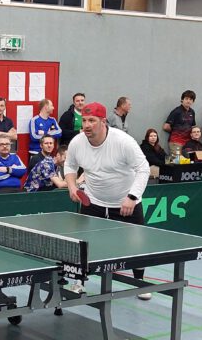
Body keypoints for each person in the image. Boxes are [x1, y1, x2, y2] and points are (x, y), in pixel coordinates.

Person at [65, 101, 152, 300]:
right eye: (84, 120)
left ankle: (140, 283)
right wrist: (72, 186)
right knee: (83, 245)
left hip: (125, 203)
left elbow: (143, 168)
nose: (87, 125)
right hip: (93, 202)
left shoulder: (123, 141)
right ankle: (79, 282)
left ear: (103, 121)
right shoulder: (77, 142)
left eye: (92, 121)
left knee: (136, 245)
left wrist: (132, 197)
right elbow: (70, 165)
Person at [28, 99, 62, 167]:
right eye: (51, 105)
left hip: (49, 154)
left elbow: (59, 133)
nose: (53, 108)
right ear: (46, 107)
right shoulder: (34, 120)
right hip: (36, 153)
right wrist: (51, 133)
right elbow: (34, 137)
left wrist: (44, 133)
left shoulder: (52, 120)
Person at [163, 90, 196, 157]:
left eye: (190, 99)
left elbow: (193, 126)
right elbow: (166, 127)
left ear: (193, 101)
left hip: (188, 143)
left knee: (189, 161)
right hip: (176, 142)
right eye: (186, 99)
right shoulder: (176, 111)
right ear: (182, 100)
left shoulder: (192, 112)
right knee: (177, 161)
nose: (188, 101)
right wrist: (176, 132)